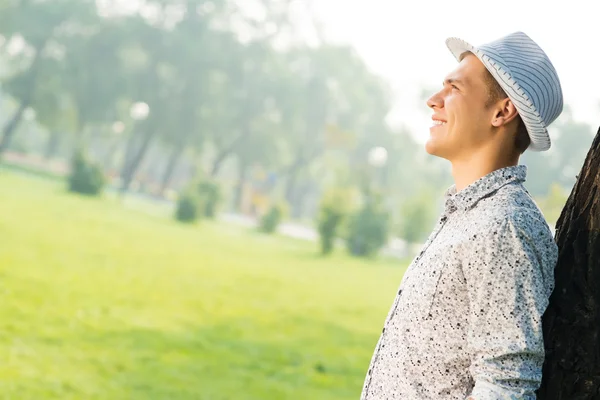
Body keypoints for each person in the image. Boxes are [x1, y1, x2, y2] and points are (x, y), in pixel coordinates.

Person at [361, 32, 563, 400]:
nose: (433, 100)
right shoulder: (471, 216)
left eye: (454, 88)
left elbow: (506, 386)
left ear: (502, 111)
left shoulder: (505, 226)